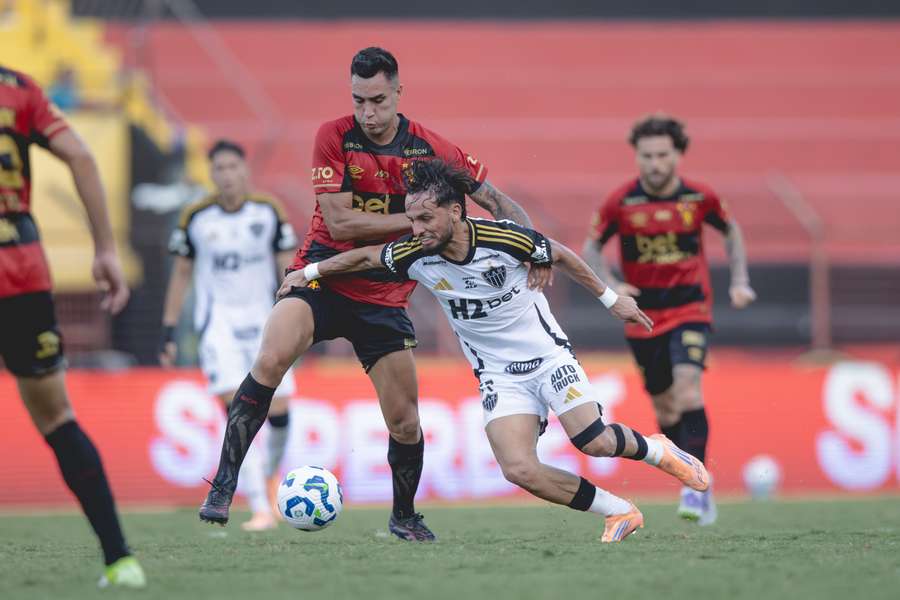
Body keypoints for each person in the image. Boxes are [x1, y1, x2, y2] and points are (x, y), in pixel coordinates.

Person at [198, 47, 549, 541]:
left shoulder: (431, 149)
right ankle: (224, 486)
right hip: (320, 278)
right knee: (271, 358)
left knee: (405, 421)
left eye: (378, 100)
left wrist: (534, 247)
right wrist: (422, 219)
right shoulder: (334, 136)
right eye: (359, 100)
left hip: (384, 295)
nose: (368, 112)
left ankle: (404, 516)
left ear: (398, 93)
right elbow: (341, 223)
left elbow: (494, 200)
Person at [282, 158, 710, 542]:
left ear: (455, 211)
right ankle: (618, 511)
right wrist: (311, 271)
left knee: (594, 442)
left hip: (549, 359)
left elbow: (560, 254)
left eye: (426, 218)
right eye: (412, 220)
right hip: (498, 376)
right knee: (518, 469)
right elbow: (365, 259)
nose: (417, 229)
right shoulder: (415, 254)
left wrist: (612, 300)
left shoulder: (501, 238)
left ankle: (658, 450)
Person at [0, 65, 144, 587]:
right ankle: (120, 560)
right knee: (57, 417)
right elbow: (80, 155)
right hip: (19, 265)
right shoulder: (17, 89)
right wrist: (105, 247)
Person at [582, 114, 756, 525]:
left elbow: (731, 232)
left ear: (677, 154)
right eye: (647, 156)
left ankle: (697, 489)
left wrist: (740, 280)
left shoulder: (699, 197)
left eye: (662, 155)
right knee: (665, 404)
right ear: (637, 157)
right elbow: (591, 248)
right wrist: (612, 284)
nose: (655, 164)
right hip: (642, 316)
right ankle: (689, 471)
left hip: (690, 308)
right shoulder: (621, 202)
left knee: (688, 389)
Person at [161, 139, 298, 531]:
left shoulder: (268, 211)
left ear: (245, 170)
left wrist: (299, 317)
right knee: (239, 414)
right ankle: (260, 507)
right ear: (211, 174)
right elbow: (181, 274)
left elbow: (287, 267)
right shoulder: (196, 218)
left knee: (280, 414)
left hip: (266, 324)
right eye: (219, 168)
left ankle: (268, 480)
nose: (226, 175)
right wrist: (169, 329)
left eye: (232, 167)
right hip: (217, 325)